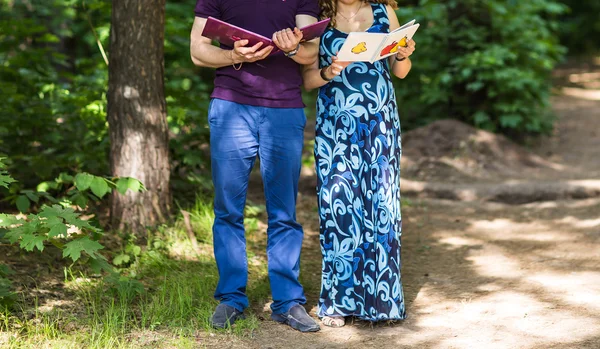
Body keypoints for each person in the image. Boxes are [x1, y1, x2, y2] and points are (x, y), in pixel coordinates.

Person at [190, 0, 322, 332]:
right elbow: (197, 51)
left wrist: (292, 50)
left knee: (283, 211)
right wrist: (235, 55)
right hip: (231, 105)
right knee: (228, 209)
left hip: (285, 108)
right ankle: (232, 299)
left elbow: (311, 52)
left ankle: (287, 302)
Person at [302, 0, 416, 327]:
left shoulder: (383, 12)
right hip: (336, 125)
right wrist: (330, 70)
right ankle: (338, 301)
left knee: (381, 206)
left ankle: (382, 301)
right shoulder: (317, 18)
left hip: (380, 124)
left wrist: (403, 55)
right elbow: (307, 80)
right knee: (338, 205)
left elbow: (401, 71)